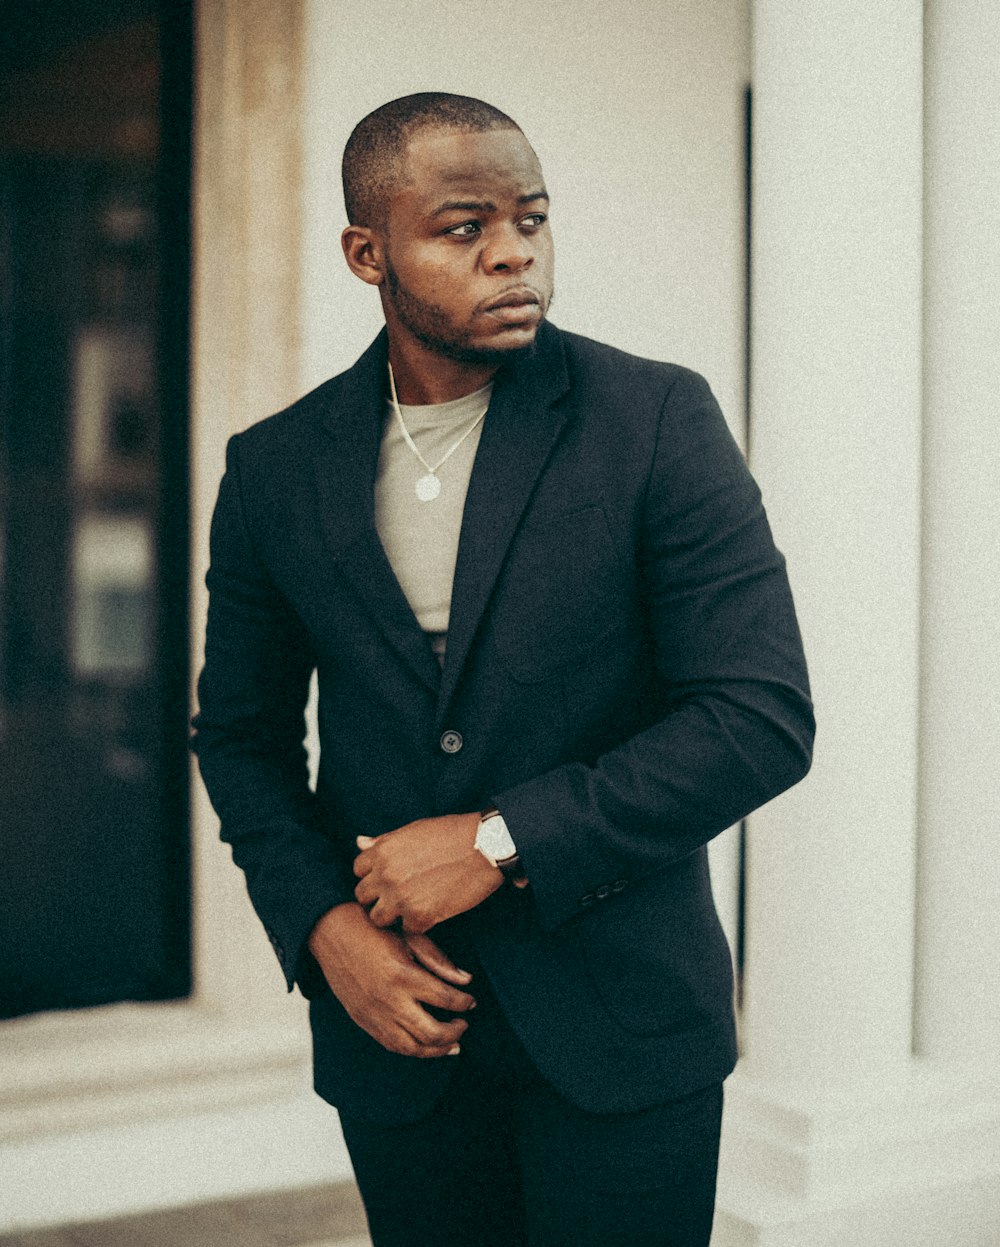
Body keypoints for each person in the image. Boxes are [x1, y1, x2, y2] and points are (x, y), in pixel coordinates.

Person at [192, 92, 814, 1247]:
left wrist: (496, 839)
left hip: (623, 1024)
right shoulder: (274, 469)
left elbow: (757, 715)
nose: (514, 250)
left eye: (530, 217)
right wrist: (327, 928)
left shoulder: (653, 419)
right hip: (395, 1042)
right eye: (464, 226)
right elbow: (239, 734)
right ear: (366, 253)